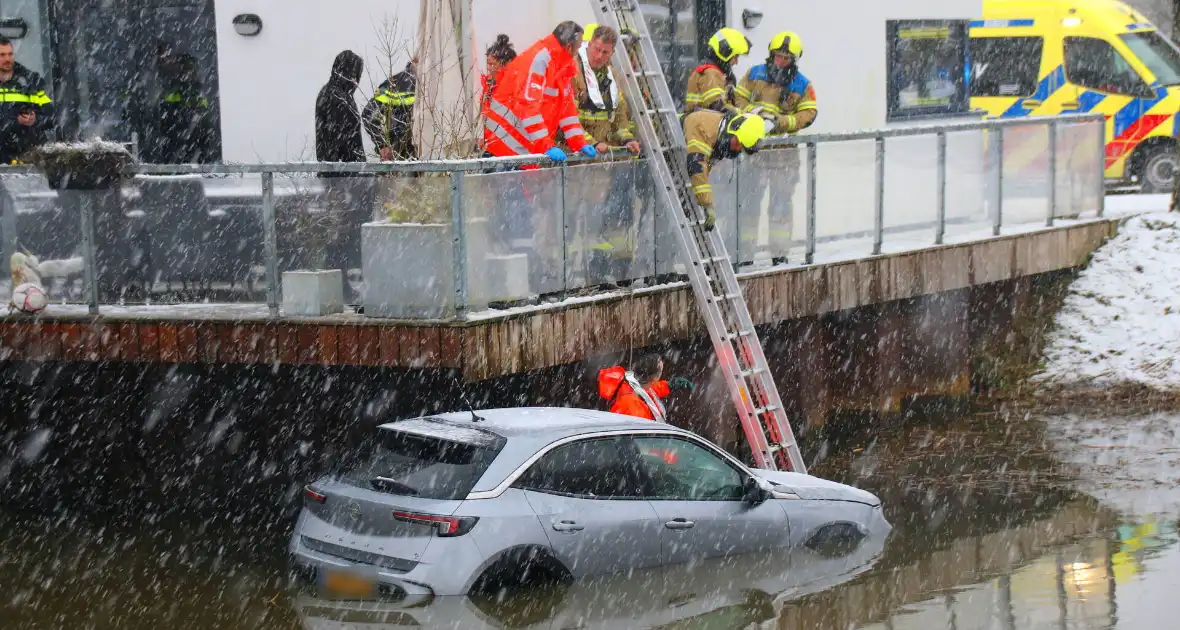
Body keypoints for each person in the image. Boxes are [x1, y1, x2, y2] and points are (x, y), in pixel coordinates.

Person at [563, 23, 642, 287]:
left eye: (605, 53)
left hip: (602, 163)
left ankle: (601, 274)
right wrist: (592, 142)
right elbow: (567, 119)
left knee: (601, 221)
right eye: (596, 49)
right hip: (576, 159)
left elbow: (619, 118)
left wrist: (628, 139)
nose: (599, 56)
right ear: (590, 45)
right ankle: (569, 278)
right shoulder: (573, 72)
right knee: (573, 220)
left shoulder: (612, 77)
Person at [734, 31, 816, 264]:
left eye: (786, 58)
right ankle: (744, 254)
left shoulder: (802, 84)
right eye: (778, 56)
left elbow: (809, 113)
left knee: (780, 205)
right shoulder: (754, 74)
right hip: (754, 151)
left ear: (794, 60)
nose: (780, 61)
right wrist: (755, 113)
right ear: (771, 54)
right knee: (748, 204)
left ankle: (779, 254)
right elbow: (737, 99)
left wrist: (782, 122)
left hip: (784, 154)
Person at [482, 21, 598, 163]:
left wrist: (579, 142)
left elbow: (567, 110)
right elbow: (527, 105)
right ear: (568, 46)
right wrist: (545, 145)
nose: (578, 52)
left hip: (522, 148)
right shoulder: (540, 60)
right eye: (578, 47)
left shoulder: (561, 65)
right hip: (504, 147)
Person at [315, 50, 371, 278]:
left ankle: (339, 280)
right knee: (342, 233)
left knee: (339, 233)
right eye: (356, 74)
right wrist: (355, 173)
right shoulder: (338, 98)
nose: (358, 81)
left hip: (337, 178)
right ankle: (340, 282)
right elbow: (343, 142)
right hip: (342, 179)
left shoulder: (330, 93)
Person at [684, 110, 769, 231]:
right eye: (738, 143)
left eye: (741, 148)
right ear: (732, 131)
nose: (737, 149)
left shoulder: (722, 134)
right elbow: (696, 166)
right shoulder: (704, 128)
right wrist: (706, 203)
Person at [155, 52, 217, 164]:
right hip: (176, 144)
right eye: (186, 68)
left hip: (194, 145)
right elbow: (165, 118)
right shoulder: (171, 90)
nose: (190, 73)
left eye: (192, 69)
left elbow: (206, 119)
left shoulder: (199, 91)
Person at [0, 37, 53, 165]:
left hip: (26, 157)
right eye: (2, 55)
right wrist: (15, 122)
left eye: (10, 54)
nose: (7, 59)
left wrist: (35, 120)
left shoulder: (31, 81)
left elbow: (51, 117)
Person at [598, 354, 694, 422]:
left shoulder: (631, 384)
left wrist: (669, 385)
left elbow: (649, 391)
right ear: (654, 378)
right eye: (661, 371)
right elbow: (641, 440)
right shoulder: (632, 406)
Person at [684, 27, 750, 115]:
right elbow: (717, 107)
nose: (736, 62)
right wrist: (743, 114)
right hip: (704, 126)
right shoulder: (710, 72)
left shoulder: (719, 73)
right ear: (725, 52)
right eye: (735, 57)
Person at [363, 57, 417, 162]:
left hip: (416, 155)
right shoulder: (394, 83)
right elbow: (368, 113)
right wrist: (382, 144)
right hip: (399, 155)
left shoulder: (435, 85)